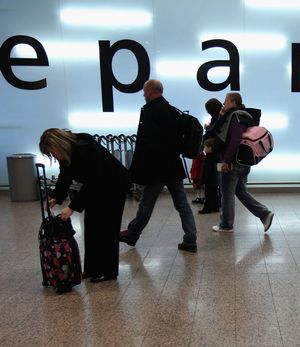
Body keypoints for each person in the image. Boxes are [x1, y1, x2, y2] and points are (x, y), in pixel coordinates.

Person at [39, 128, 130, 282]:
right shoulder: (67, 153)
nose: (53, 156)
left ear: (58, 144)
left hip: (114, 185)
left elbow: (94, 181)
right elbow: (65, 175)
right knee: (92, 225)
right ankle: (92, 268)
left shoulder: (87, 150)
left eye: (52, 152)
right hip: (98, 186)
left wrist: (72, 207)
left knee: (107, 227)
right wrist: (56, 196)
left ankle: (108, 271)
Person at [119, 79, 198, 252]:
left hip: (156, 168)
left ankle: (132, 233)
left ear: (150, 91)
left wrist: (137, 169)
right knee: (182, 204)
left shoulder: (149, 111)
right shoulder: (173, 111)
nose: (143, 95)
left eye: (144, 92)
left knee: (147, 203)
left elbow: (146, 142)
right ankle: (190, 239)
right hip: (173, 166)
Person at [211, 92, 274, 233]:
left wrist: (226, 160)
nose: (223, 103)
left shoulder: (235, 117)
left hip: (233, 162)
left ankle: (226, 225)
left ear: (233, 102)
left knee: (227, 194)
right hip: (244, 162)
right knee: (240, 191)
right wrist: (221, 116)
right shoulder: (246, 116)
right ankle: (265, 214)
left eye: (226, 101)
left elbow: (233, 140)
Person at [198, 138, 221, 214]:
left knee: (208, 195)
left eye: (205, 147)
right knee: (214, 194)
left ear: (210, 147)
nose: (204, 149)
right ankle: (216, 207)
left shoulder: (208, 159)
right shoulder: (218, 156)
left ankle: (207, 209)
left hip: (209, 180)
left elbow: (205, 171)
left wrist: (202, 181)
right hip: (216, 179)